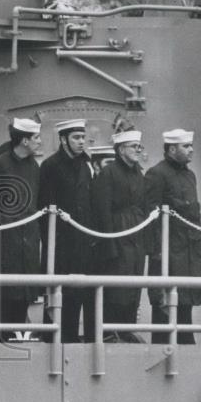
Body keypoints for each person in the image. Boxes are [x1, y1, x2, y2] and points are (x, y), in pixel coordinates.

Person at [0, 118, 43, 340]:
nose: (40, 142)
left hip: (28, 243)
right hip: (4, 243)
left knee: (25, 294)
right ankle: (0, 341)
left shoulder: (34, 167)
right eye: (36, 138)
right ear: (24, 140)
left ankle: (19, 337)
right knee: (4, 297)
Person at [38, 119, 97, 343]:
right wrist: (52, 242)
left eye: (83, 137)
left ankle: (71, 342)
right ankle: (52, 343)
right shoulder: (51, 166)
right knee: (57, 300)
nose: (81, 142)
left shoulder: (86, 166)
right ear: (63, 140)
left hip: (83, 246)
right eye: (76, 138)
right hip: (60, 246)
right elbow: (45, 206)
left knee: (77, 297)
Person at [145, 128, 201, 344]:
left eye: (190, 146)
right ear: (172, 149)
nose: (191, 150)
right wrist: (158, 253)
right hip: (168, 253)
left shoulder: (190, 175)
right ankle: (164, 350)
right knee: (165, 307)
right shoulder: (157, 174)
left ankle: (186, 345)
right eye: (186, 146)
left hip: (188, 251)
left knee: (185, 306)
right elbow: (151, 218)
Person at [90, 130, 148, 340]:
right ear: (121, 149)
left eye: (139, 147)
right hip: (117, 233)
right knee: (116, 289)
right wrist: (109, 244)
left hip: (135, 235)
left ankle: (126, 328)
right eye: (134, 147)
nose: (138, 151)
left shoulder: (138, 173)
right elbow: (102, 210)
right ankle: (110, 332)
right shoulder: (109, 173)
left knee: (133, 286)